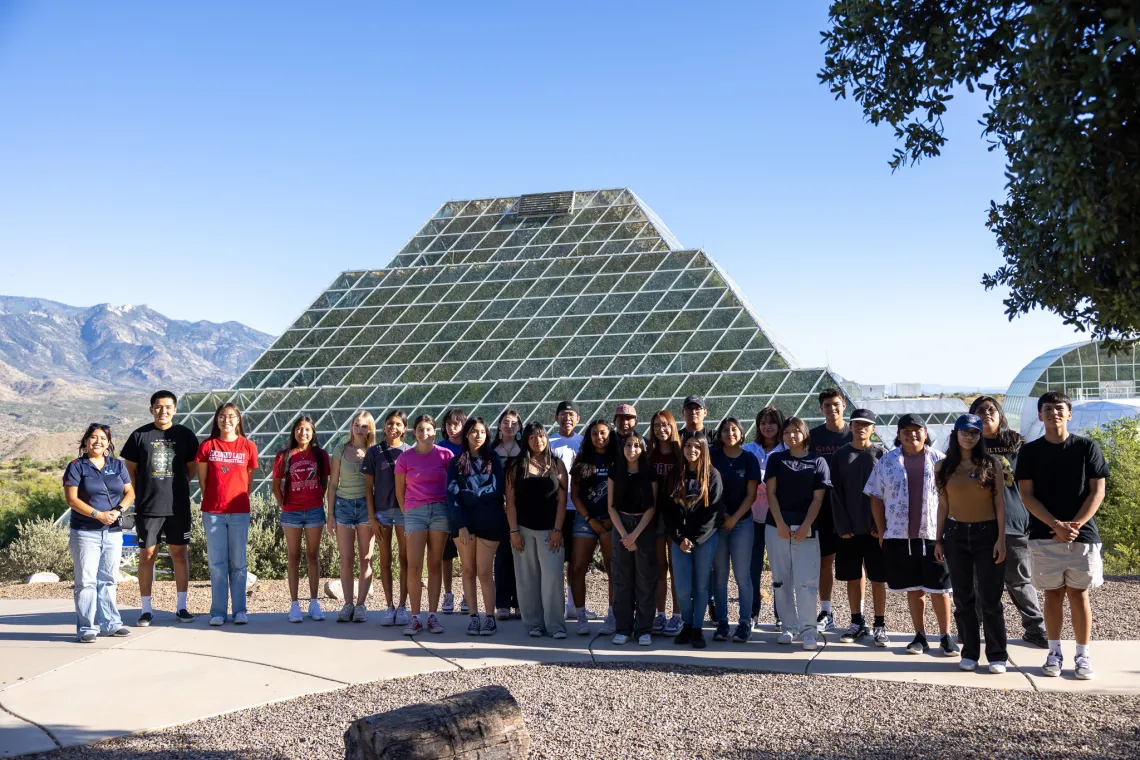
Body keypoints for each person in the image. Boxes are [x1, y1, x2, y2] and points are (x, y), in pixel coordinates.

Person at [1015, 391, 1109, 680]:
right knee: (1053, 595)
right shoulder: (1029, 452)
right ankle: (1054, 652)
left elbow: (1098, 491)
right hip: (1045, 534)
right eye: (1048, 409)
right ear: (1040, 415)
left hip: (1082, 536)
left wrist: (1075, 525)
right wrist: (1055, 525)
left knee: (1079, 595)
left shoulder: (1087, 447)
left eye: (1060, 408)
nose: (1054, 413)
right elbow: (1026, 495)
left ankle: (1083, 655)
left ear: (1069, 414)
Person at [865, 414, 959, 657]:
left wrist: (947, 532)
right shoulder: (887, 461)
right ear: (899, 434)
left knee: (940, 588)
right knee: (914, 588)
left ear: (925, 433)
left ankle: (946, 636)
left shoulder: (940, 460)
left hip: (933, 535)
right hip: (899, 535)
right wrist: (882, 529)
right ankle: (919, 636)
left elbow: (954, 497)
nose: (912, 434)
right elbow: (875, 496)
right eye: (906, 430)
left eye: (917, 429)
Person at [969, 395, 1048, 649]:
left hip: (1015, 524)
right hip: (976, 522)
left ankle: (1036, 629)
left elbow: (1035, 486)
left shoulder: (1017, 444)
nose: (986, 413)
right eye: (980, 410)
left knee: (1019, 580)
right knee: (977, 581)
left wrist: (1033, 520)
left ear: (1000, 414)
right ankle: (971, 630)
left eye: (991, 409)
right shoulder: (966, 445)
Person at [934, 414, 1009, 673]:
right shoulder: (942, 467)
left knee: (991, 598)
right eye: (965, 431)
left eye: (975, 432)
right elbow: (943, 504)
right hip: (955, 534)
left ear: (979, 436)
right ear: (955, 433)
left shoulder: (992, 464)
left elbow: (1000, 503)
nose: (970, 436)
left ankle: (997, 654)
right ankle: (969, 652)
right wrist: (939, 539)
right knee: (964, 598)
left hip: (987, 533)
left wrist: (1001, 538)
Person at [121, 390, 199, 626]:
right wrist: (144, 491)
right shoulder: (139, 435)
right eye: (158, 406)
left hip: (178, 507)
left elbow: (191, 469)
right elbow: (129, 471)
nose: (163, 411)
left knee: (179, 555)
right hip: (148, 506)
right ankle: (146, 609)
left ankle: (182, 607)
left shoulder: (185, 435)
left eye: (168, 407)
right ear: (151, 409)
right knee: (147, 555)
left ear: (175, 409)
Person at [64, 423, 135, 642]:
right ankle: (87, 628)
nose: (98, 441)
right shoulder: (77, 466)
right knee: (86, 581)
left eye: (103, 438)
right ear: (85, 441)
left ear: (108, 442)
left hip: (113, 531)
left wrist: (118, 510)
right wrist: (98, 515)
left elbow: (130, 492)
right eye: (93, 437)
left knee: (108, 579)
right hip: (85, 532)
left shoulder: (117, 465)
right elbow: (72, 500)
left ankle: (111, 624)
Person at [765, 417, 830, 650]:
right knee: (781, 581)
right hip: (777, 528)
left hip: (807, 529)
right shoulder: (776, 459)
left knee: (807, 582)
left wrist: (805, 526)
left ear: (805, 434)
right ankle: (788, 627)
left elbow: (818, 498)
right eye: (787, 432)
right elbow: (771, 494)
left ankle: (808, 630)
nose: (791, 436)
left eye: (796, 431)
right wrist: (781, 523)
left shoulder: (818, 461)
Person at [829, 408, 889, 646]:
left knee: (878, 579)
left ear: (873, 428)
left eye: (866, 424)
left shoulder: (882, 454)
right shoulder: (840, 455)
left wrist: (880, 525)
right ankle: (856, 622)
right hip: (849, 530)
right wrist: (842, 525)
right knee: (853, 577)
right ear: (850, 426)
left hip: (875, 530)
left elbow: (887, 494)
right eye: (856, 423)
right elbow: (835, 493)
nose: (860, 428)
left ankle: (880, 625)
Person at [196, 403, 258, 626]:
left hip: (239, 511)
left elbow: (248, 481)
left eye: (231, 416)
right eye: (222, 416)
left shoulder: (248, 446)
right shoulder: (207, 446)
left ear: (239, 420)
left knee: (239, 563)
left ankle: (240, 610)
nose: (226, 420)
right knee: (217, 563)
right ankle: (218, 612)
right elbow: (203, 482)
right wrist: (215, 500)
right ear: (216, 420)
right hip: (213, 511)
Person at [506, 422, 569, 638]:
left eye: (541, 436)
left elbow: (562, 501)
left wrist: (558, 530)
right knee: (526, 579)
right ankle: (533, 623)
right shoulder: (516, 466)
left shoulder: (557, 465)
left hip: (550, 531)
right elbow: (510, 502)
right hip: (523, 530)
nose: (538, 440)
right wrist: (513, 531)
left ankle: (556, 625)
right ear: (526, 441)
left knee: (552, 578)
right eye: (532, 437)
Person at [662, 431, 723, 649]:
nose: (692, 450)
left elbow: (712, 514)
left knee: (701, 586)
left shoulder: (712, 476)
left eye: (697, 446)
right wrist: (679, 538)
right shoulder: (674, 476)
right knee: (683, 587)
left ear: (704, 449)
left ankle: (697, 628)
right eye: (688, 445)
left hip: (704, 539)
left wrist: (694, 539)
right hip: (680, 541)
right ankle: (686, 625)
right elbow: (667, 512)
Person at [446, 416, 507, 636]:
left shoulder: (494, 459)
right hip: (464, 524)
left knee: (483, 572)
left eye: (481, 431)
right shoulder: (456, 461)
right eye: (473, 431)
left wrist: (470, 494)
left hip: (489, 522)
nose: (477, 435)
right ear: (466, 434)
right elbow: (452, 495)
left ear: (487, 434)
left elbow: (498, 490)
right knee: (468, 571)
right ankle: (474, 617)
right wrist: (461, 523)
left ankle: (489, 617)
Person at [395, 414, 454, 635]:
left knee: (435, 564)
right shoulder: (405, 458)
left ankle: (432, 615)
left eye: (428, 429)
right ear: (414, 432)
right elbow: (399, 490)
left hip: (440, 512)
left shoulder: (445, 455)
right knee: (414, 566)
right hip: (415, 513)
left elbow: (452, 486)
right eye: (420, 429)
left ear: (435, 431)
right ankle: (415, 617)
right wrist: (408, 512)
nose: (424, 433)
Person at [273, 416, 331, 623]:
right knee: (294, 557)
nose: (303, 433)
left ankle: (314, 603)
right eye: (299, 429)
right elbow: (275, 486)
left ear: (313, 432)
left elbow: (324, 481)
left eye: (307, 429)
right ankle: (294, 604)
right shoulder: (284, 455)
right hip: (292, 513)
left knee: (313, 556)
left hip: (314, 511)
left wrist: (316, 498)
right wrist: (285, 506)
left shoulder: (320, 455)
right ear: (293, 432)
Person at [710, 417, 760, 643]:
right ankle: (722, 623)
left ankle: (744, 623)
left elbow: (751, 495)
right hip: (717, 523)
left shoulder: (749, 459)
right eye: (725, 430)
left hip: (742, 523)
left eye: (734, 430)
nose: (730, 433)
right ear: (720, 435)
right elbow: (708, 491)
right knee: (719, 575)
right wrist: (723, 517)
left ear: (741, 433)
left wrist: (735, 517)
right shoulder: (713, 457)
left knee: (743, 576)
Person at [807, 388, 851, 632]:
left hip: (850, 509)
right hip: (822, 508)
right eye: (826, 405)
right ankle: (826, 611)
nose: (832, 408)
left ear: (843, 405)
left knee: (856, 561)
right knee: (825, 560)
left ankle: (858, 616)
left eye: (835, 404)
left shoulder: (853, 434)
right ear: (820, 408)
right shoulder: (813, 437)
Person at [607, 433, 657, 645]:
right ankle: (623, 628)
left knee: (645, 580)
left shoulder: (649, 473)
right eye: (628, 445)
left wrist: (635, 535)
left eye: (637, 446)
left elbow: (652, 506)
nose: (632, 449)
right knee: (622, 580)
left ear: (643, 449)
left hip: (643, 527)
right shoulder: (615, 471)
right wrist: (624, 535)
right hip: (620, 525)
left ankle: (644, 629)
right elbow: (611, 507)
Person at [362, 410, 411, 626]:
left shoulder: (409, 452)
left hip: (403, 512)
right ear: (384, 426)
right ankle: (389, 605)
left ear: (404, 428)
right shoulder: (374, 452)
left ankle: (402, 606)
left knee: (405, 558)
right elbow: (368, 488)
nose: (393, 427)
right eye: (390, 423)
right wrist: (372, 517)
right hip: (381, 512)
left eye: (398, 424)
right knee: (385, 560)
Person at [569, 419, 617, 635]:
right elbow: (575, 494)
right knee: (578, 567)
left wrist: (611, 518)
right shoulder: (582, 460)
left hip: (611, 519)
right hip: (586, 519)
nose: (599, 437)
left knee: (612, 569)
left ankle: (612, 616)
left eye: (603, 433)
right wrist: (590, 519)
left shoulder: (618, 458)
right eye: (595, 434)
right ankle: (580, 617)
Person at [327, 411, 376, 623]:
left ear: (370, 429)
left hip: (366, 507)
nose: (360, 429)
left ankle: (361, 605)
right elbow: (333, 483)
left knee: (366, 558)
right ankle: (347, 604)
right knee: (346, 559)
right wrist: (330, 514)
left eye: (364, 426)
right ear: (351, 426)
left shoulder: (374, 451)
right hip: (344, 507)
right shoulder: (340, 449)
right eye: (357, 424)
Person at [742, 406, 786, 631]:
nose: (767, 427)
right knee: (753, 567)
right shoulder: (748, 450)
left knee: (780, 568)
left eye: (772, 422)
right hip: (752, 517)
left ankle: (782, 614)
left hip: (778, 517)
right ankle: (752, 612)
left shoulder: (787, 449)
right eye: (763, 422)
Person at [547, 401, 585, 619]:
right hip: (556, 508)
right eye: (563, 414)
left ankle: (573, 603)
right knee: (556, 559)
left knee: (576, 559)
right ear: (556, 418)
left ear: (578, 419)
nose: (567, 418)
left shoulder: (583, 442)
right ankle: (557, 605)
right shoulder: (549, 442)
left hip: (578, 507)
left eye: (571, 415)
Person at [648, 410, 684, 636]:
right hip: (654, 514)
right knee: (659, 567)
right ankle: (659, 613)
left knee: (676, 566)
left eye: (665, 425)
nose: (661, 429)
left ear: (672, 426)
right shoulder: (649, 454)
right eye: (657, 425)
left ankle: (678, 615)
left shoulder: (681, 453)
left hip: (676, 515)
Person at [492, 409, 523, 620]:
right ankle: (502, 603)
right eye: (505, 422)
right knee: (502, 555)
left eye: (514, 423)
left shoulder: (525, 450)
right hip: (498, 508)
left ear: (520, 427)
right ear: (499, 426)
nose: (509, 426)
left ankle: (521, 602)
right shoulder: (492, 450)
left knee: (521, 555)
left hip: (522, 508)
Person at [438, 408, 467, 614]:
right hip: (445, 507)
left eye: (456, 424)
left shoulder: (469, 447)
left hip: (466, 507)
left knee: (467, 555)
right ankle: (448, 595)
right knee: (446, 555)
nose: (452, 427)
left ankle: (467, 595)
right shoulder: (440, 447)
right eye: (449, 424)